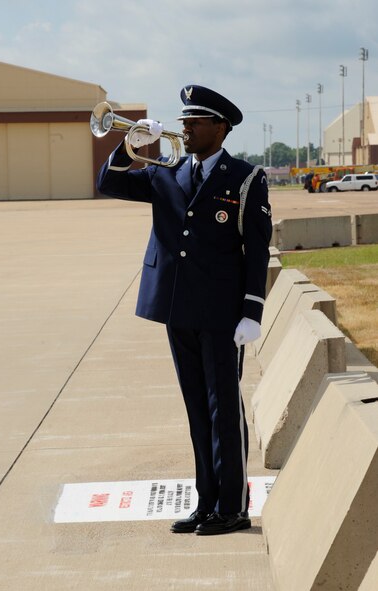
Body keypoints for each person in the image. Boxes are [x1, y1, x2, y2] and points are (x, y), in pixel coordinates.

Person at [97, 85, 272, 535]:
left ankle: (232, 507)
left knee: (223, 411)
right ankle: (206, 502)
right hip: (177, 307)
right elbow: (109, 182)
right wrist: (130, 144)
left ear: (221, 128)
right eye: (185, 121)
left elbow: (256, 248)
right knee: (197, 408)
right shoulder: (166, 172)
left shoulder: (246, 178)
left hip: (222, 313)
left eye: (195, 122)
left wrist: (252, 310)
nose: (185, 128)